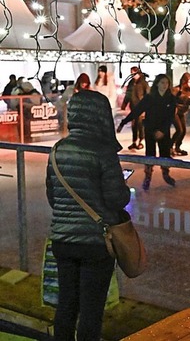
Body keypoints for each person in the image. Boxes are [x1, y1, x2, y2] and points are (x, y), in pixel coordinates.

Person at [45, 90, 130, 341]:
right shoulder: (103, 152)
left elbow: (53, 197)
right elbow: (116, 199)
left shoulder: (58, 150)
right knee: (91, 311)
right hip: (95, 243)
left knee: (66, 305)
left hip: (62, 241)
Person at [118, 74, 176, 190]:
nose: (164, 85)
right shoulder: (150, 98)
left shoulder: (171, 99)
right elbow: (137, 111)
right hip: (150, 130)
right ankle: (148, 176)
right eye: (162, 83)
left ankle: (166, 174)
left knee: (165, 154)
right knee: (150, 154)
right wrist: (124, 122)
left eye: (166, 83)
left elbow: (170, 117)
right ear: (157, 84)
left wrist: (162, 131)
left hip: (163, 131)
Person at [121, 67, 150, 151]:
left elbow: (147, 96)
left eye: (134, 73)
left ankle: (141, 140)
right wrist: (124, 104)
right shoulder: (131, 83)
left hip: (141, 107)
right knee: (134, 125)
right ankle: (134, 141)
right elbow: (128, 94)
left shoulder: (143, 83)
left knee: (140, 124)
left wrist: (146, 107)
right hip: (133, 107)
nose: (133, 75)